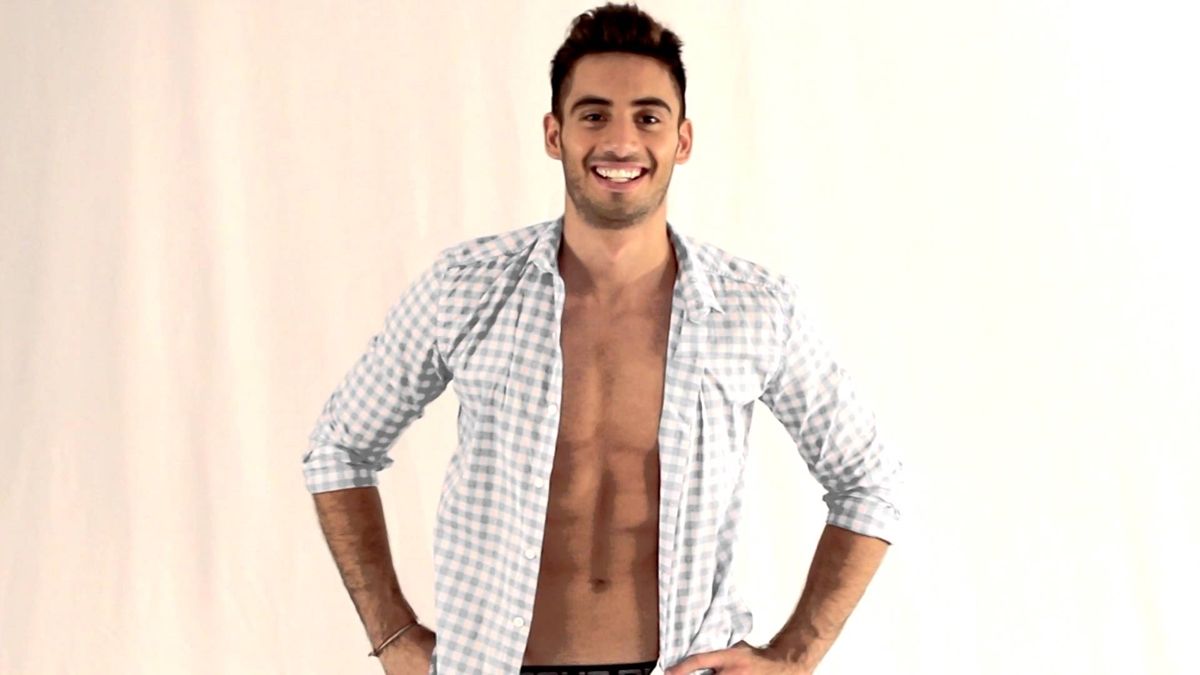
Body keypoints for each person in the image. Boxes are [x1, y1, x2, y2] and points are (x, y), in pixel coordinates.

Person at [302, 3, 903, 674]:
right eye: (593, 115)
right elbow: (339, 449)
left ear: (682, 140)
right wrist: (391, 633)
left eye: (648, 117)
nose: (620, 142)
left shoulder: (753, 307)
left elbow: (868, 479)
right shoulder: (466, 287)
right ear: (554, 133)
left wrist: (795, 655)